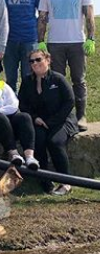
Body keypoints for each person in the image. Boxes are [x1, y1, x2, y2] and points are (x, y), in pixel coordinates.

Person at [37, 0, 95, 131]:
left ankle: (81, 116)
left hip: (77, 41)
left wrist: (91, 38)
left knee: (79, 80)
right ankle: (62, 117)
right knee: (57, 81)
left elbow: (90, 16)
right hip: (55, 43)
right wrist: (41, 40)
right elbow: (42, 18)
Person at [18, 49, 79, 196]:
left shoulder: (58, 79)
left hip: (62, 120)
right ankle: (45, 181)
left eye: (38, 59)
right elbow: (22, 104)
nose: (35, 63)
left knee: (54, 142)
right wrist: (35, 118)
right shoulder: (27, 81)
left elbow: (69, 102)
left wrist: (52, 122)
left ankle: (66, 182)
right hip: (39, 121)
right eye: (32, 61)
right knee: (38, 141)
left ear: (48, 60)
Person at [0, 0, 42, 91]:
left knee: (28, 77)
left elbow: (42, 15)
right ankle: (13, 108)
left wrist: (41, 39)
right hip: (10, 41)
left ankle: (28, 108)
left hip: (29, 40)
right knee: (11, 78)